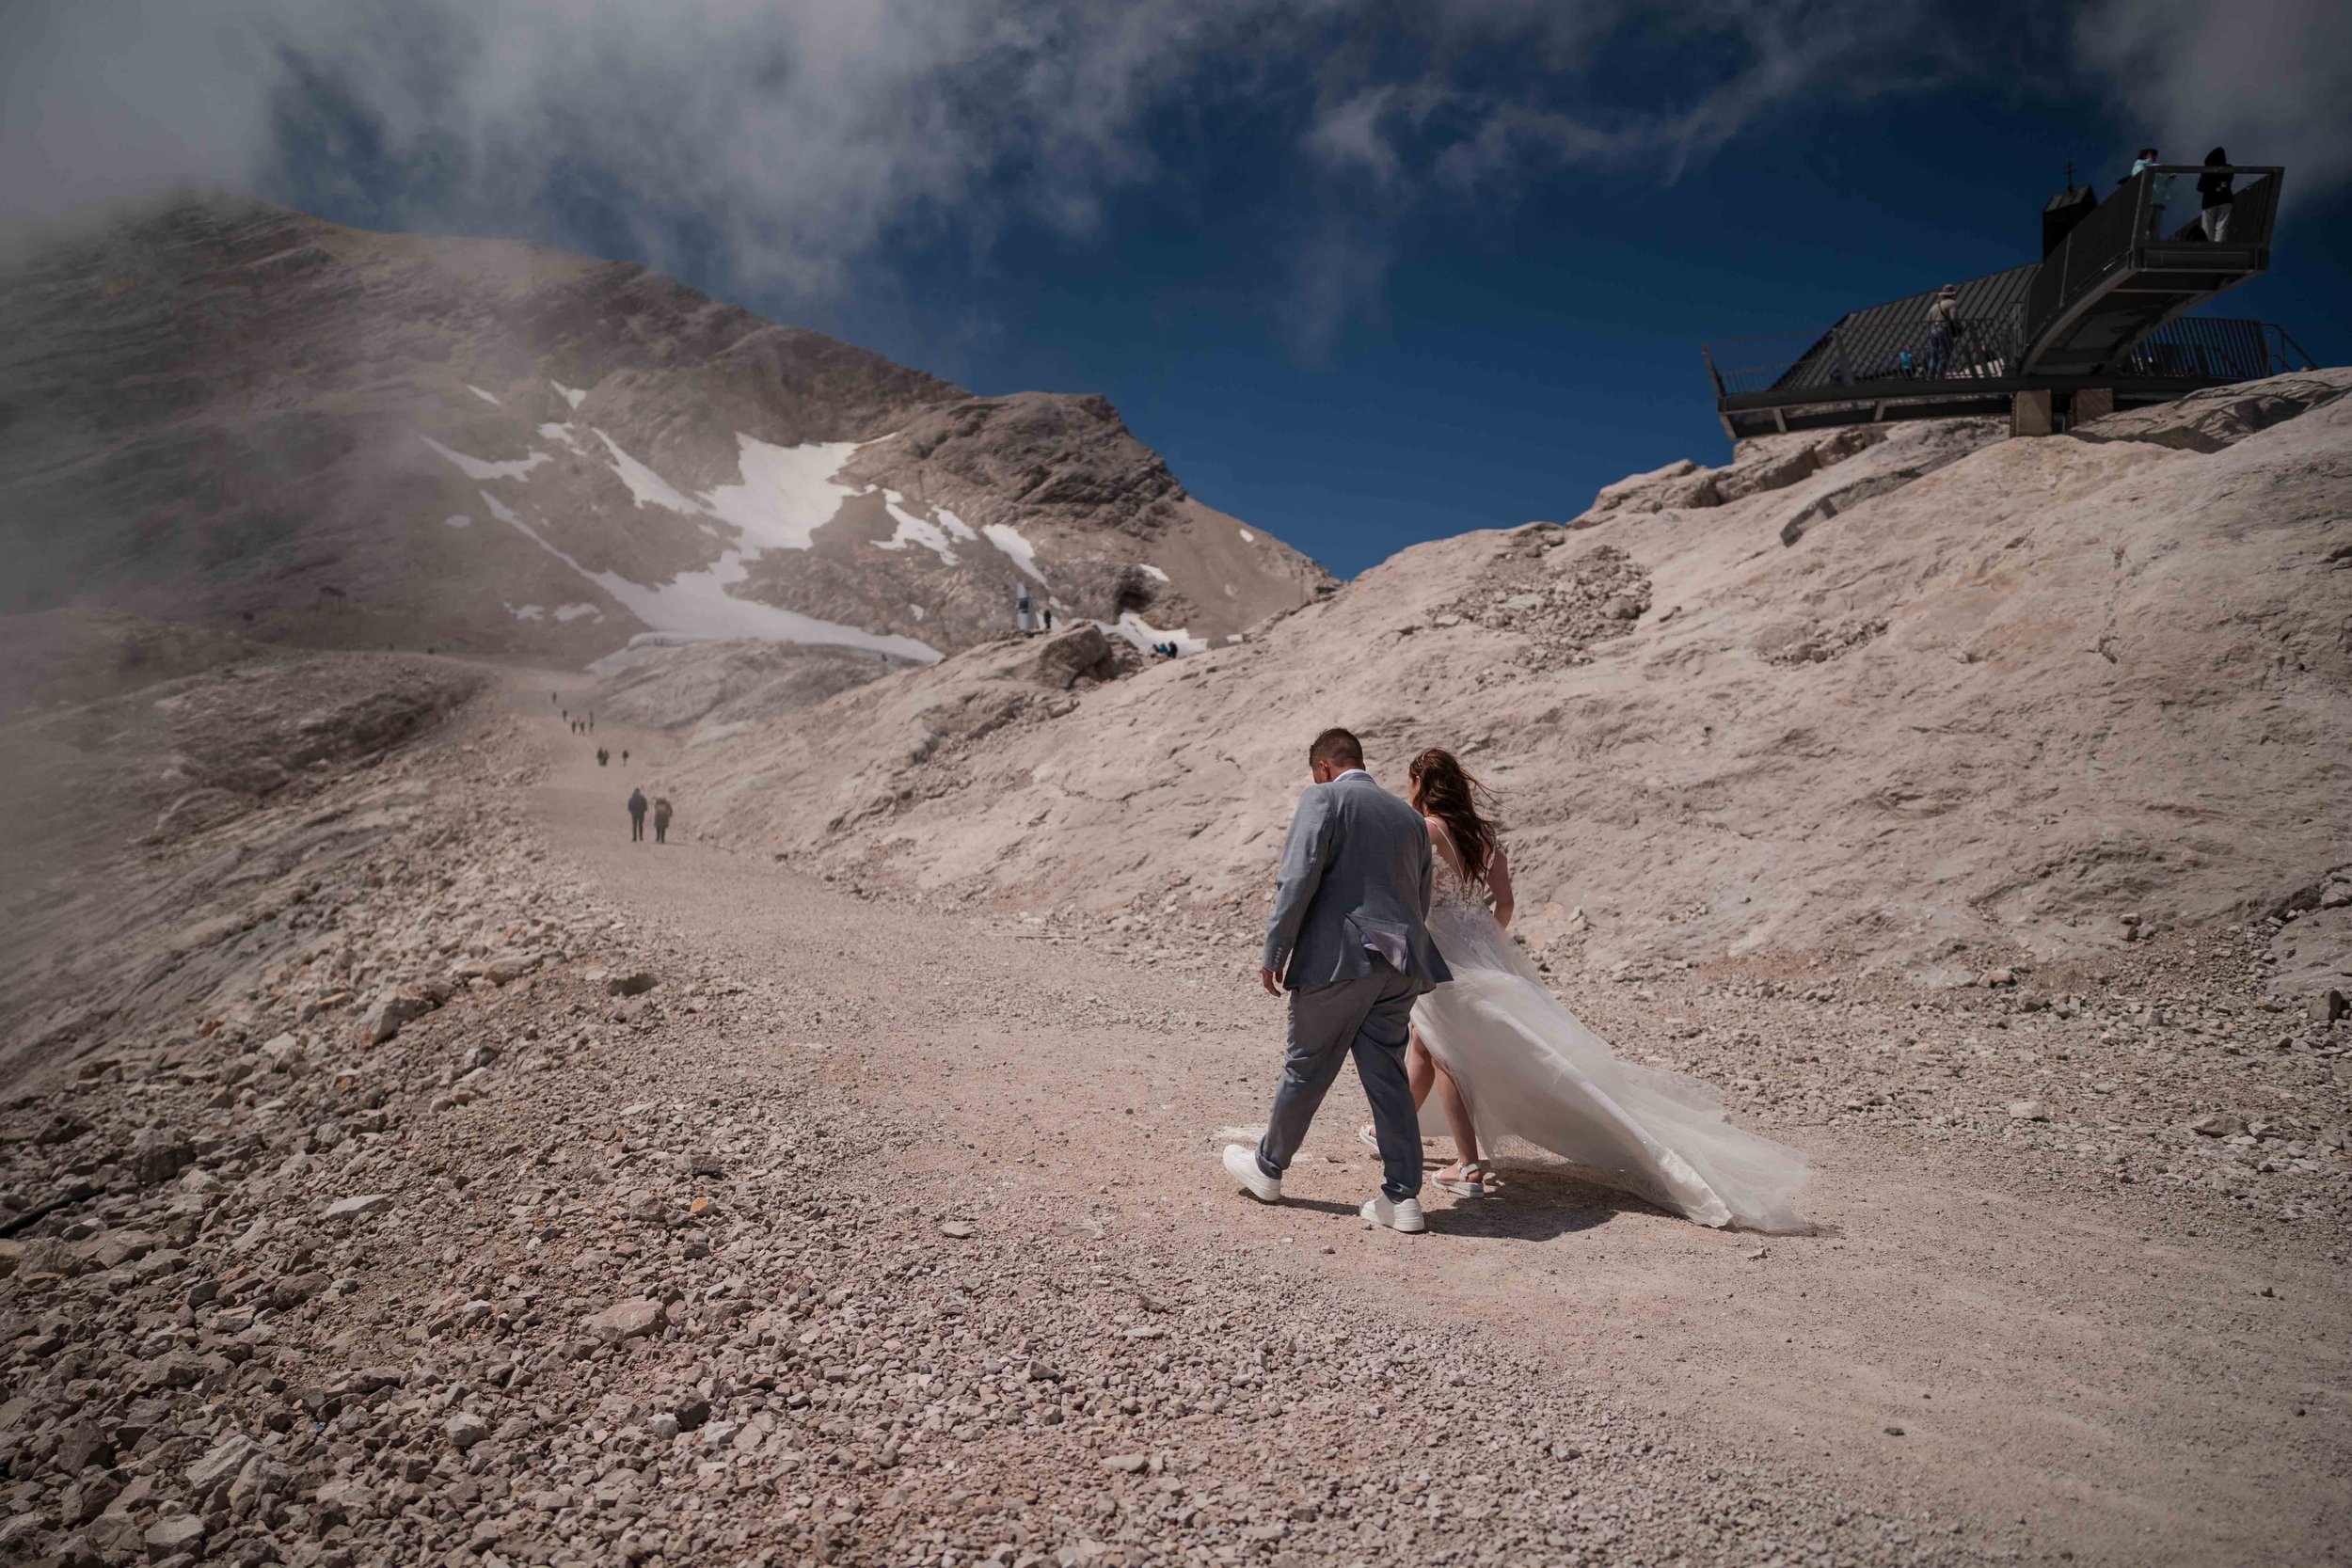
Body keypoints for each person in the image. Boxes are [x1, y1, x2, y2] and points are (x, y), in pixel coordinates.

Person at [1367, 747, 1810, 1232]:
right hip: (1478, 949)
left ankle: (1468, 1163)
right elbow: (1506, 905)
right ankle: (1392, 1133)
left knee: (1445, 1052)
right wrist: (1482, 940)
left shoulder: (1428, 831)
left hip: (1442, 951)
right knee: (1424, 1044)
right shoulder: (1486, 837)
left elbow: (1410, 894)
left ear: (1418, 782)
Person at [1221, 727, 1451, 1234]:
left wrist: (1276, 949)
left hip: (1342, 958)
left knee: (1306, 1064)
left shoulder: (1323, 798)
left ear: (1324, 767)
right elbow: (1420, 897)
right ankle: (1402, 1197)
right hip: (1401, 965)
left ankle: (1268, 1167)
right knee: (1387, 1076)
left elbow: (1297, 875)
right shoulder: (1410, 819)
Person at [2126, 147, 2172, 239]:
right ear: (2145, 155)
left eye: (2155, 155)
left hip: (2158, 201)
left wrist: (2171, 179)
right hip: (2148, 199)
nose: (2154, 156)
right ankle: (2141, 244)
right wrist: (2158, 166)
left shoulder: (2155, 167)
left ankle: (2153, 246)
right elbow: (2139, 176)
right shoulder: (2140, 165)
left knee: (2155, 228)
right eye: (2152, 154)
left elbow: (2163, 185)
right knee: (2144, 225)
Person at [2198, 147, 2233, 242]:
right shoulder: (2228, 169)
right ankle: (2218, 248)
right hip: (2225, 198)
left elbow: (2200, 187)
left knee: (2207, 228)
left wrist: (2211, 186)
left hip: (2209, 201)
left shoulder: (2207, 170)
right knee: (2222, 227)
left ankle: (2208, 249)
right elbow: (2229, 179)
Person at [1925, 284, 1961, 377]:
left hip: (1933, 331)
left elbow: (1928, 320)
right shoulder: (1952, 303)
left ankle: (1930, 377)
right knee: (1944, 355)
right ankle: (1941, 377)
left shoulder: (1934, 306)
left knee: (1934, 356)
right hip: (1944, 329)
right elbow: (1954, 318)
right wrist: (1958, 329)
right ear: (1952, 294)